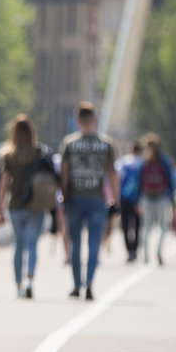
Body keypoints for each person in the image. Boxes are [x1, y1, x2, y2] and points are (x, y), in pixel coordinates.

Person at [59, 102, 119, 300]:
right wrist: (115, 202)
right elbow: (112, 175)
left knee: (75, 243)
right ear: (94, 120)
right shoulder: (106, 144)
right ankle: (90, 283)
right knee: (95, 243)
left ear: (77, 121)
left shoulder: (70, 143)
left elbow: (64, 173)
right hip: (96, 200)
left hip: (75, 199)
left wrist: (64, 197)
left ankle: (76, 285)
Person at [0, 114, 49, 299]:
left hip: (16, 205)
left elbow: (3, 184)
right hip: (36, 205)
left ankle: (18, 284)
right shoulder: (39, 153)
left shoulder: (9, 155)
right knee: (32, 243)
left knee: (18, 245)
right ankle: (30, 280)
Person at [137, 132, 176, 266]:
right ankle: (158, 252)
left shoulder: (145, 162)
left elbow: (139, 182)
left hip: (147, 198)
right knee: (162, 228)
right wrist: (173, 201)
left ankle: (146, 255)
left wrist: (138, 200)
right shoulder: (164, 161)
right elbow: (170, 182)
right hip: (161, 198)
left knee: (146, 228)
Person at [115, 140, 144, 263]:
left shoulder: (122, 163)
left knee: (126, 226)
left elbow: (117, 181)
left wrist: (116, 199)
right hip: (139, 199)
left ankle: (129, 251)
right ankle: (135, 248)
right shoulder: (143, 163)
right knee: (137, 225)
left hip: (124, 198)